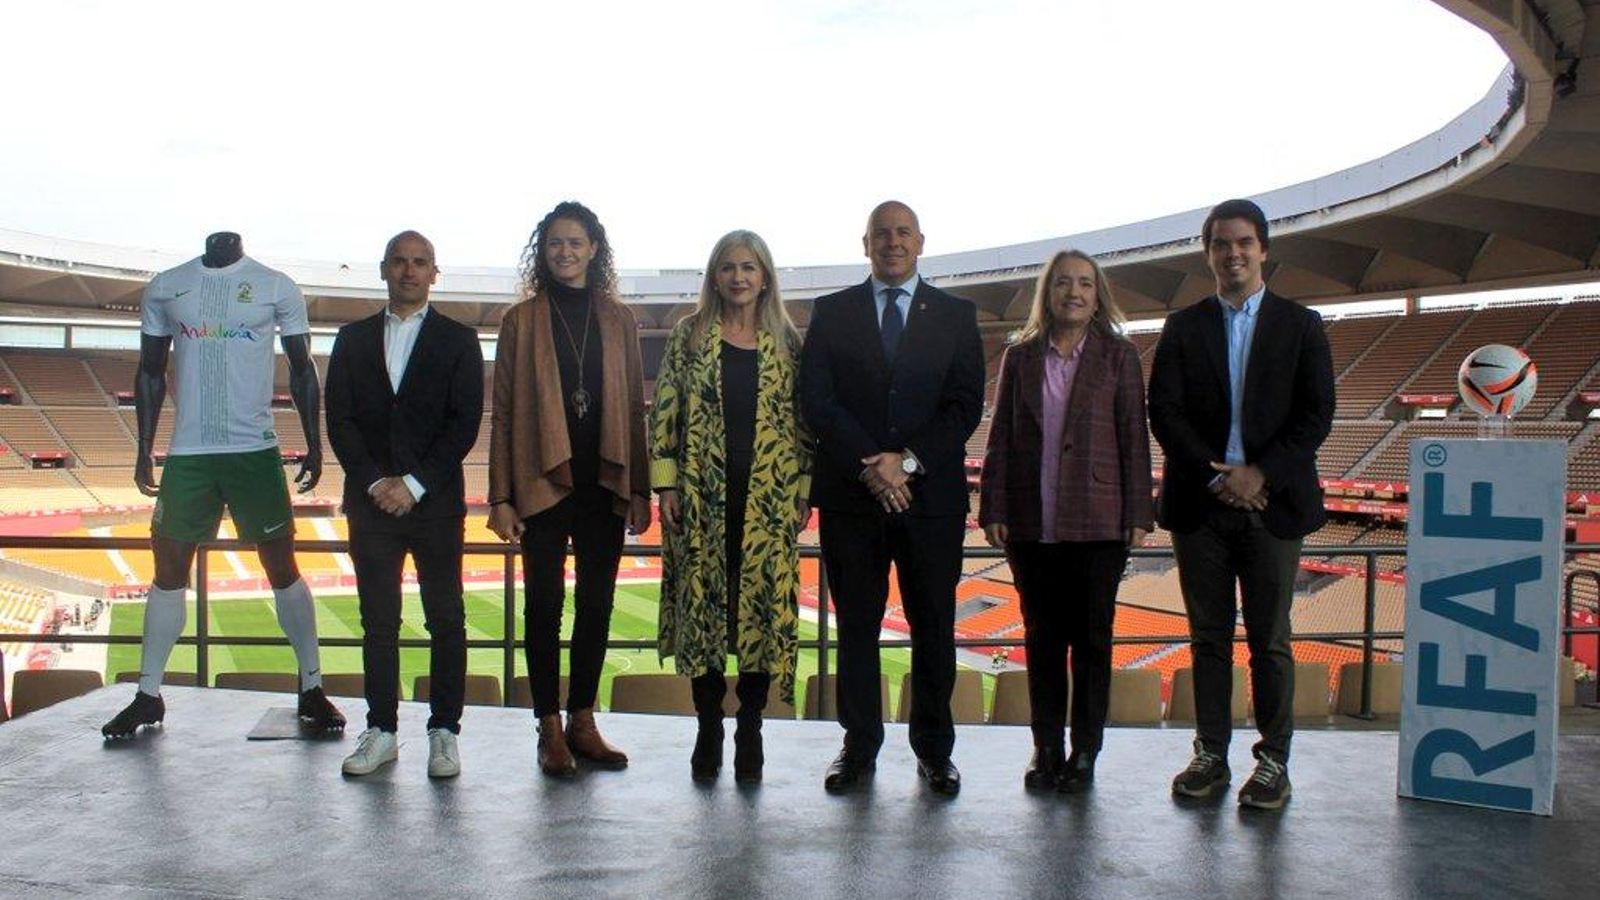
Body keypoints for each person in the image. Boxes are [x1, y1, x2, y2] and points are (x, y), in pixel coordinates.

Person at [103, 232, 345, 738]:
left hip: (254, 450)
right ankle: (148, 694)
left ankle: (312, 687)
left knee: (281, 566)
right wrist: (143, 446)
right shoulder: (167, 287)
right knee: (168, 569)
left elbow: (304, 368)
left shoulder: (275, 286)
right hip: (189, 453)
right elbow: (149, 371)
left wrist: (315, 443)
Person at [1148, 199, 1335, 809]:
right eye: (1221, 244)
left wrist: (1260, 474)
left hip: (1273, 505)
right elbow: (1165, 413)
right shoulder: (1183, 326)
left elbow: (1316, 416)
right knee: (1207, 637)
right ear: (1208, 253)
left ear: (1263, 250)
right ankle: (1210, 753)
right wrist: (1218, 477)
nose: (1233, 253)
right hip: (1202, 505)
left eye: (1244, 243)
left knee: (1270, 639)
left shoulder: (1302, 325)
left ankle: (1274, 759)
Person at [799, 201, 984, 795]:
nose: (893, 242)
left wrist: (903, 463)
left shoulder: (957, 315)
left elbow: (964, 405)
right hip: (855, 499)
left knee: (933, 627)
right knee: (856, 626)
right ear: (866, 244)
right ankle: (858, 747)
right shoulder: (831, 312)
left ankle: (934, 750)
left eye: (903, 232)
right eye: (882, 234)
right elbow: (818, 401)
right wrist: (872, 466)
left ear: (921, 241)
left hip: (930, 502)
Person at [487, 201, 651, 777]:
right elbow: (503, 410)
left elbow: (634, 406)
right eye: (555, 243)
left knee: (597, 606)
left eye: (575, 242)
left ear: (594, 249)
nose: (565, 252)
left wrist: (640, 490)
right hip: (541, 481)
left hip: (603, 483)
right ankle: (548, 725)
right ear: (543, 250)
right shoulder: (521, 320)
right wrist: (500, 497)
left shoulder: (618, 318)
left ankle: (583, 720)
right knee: (544, 607)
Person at [978, 249, 1152, 793]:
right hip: (1033, 522)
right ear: (1047, 294)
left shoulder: (1120, 357)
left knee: (1094, 641)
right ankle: (1045, 745)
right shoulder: (1021, 357)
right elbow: (1001, 436)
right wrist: (994, 506)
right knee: (1042, 640)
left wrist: (1139, 512)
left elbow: (1133, 438)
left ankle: (1085, 751)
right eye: (1062, 284)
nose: (1073, 293)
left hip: (1098, 522)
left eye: (1083, 284)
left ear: (1097, 295)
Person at [650, 230, 811, 784]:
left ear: (765, 276)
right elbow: (664, 413)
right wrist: (666, 485)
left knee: (761, 615)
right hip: (702, 502)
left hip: (768, 502)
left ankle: (750, 726)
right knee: (706, 616)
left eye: (749, 267)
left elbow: (804, 427)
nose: (738, 277)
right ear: (713, 277)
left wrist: (800, 492)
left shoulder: (787, 342)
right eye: (727, 267)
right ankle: (707, 726)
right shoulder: (689, 336)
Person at [325, 230, 483, 778]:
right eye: (400, 261)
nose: (410, 270)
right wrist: (374, 483)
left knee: (446, 619)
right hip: (370, 506)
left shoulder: (459, 340)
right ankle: (382, 730)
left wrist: (413, 484)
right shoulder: (351, 339)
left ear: (434, 272)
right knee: (378, 623)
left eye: (420, 262)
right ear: (384, 269)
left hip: (435, 504)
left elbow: (463, 422)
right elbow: (339, 420)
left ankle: (444, 731)